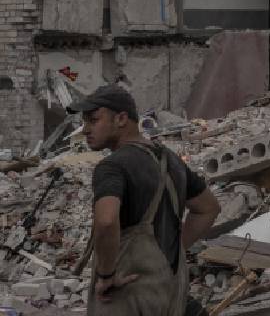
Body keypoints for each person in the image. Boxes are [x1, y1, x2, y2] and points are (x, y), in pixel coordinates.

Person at [69, 84, 220, 315]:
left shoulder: (112, 166)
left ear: (121, 119)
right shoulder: (171, 160)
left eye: (93, 120)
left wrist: (107, 275)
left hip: (129, 294)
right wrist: (173, 250)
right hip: (170, 288)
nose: (85, 129)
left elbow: (107, 221)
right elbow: (208, 208)